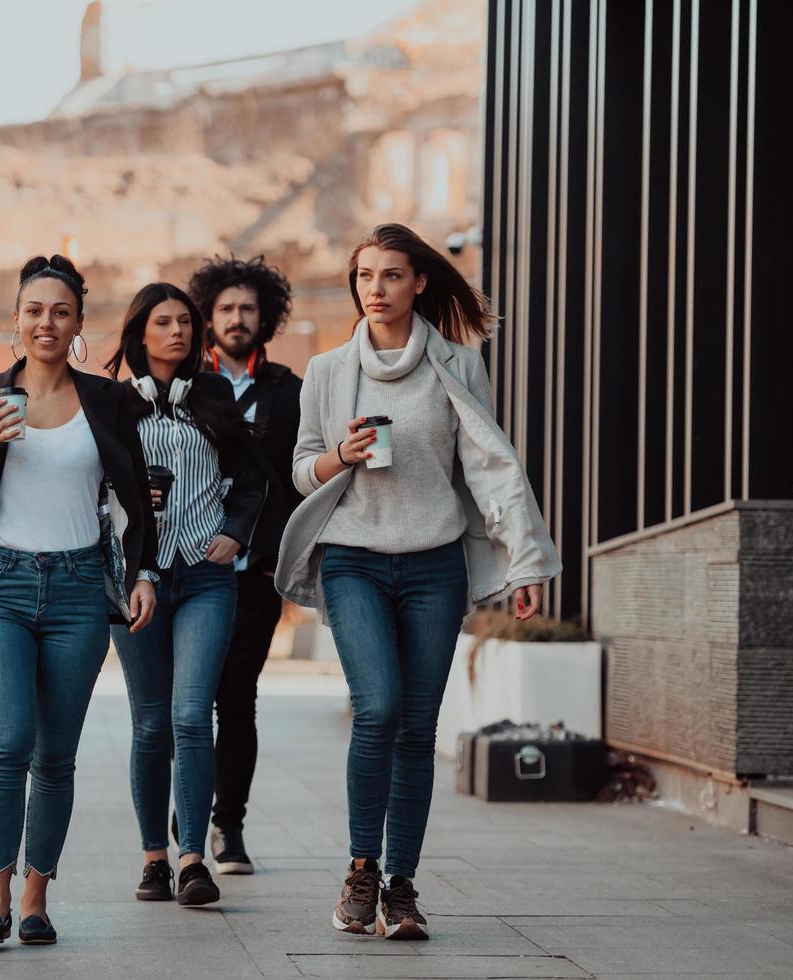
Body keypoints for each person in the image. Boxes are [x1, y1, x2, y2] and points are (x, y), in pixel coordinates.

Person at [274, 223, 561, 940]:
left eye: (392, 275)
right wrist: (340, 453)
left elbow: (490, 466)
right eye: (366, 275)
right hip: (353, 559)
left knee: (418, 727)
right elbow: (300, 470)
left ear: (419, 283)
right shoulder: (328, 372)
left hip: (434, 562)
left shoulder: (459, 366)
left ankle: (401, 887)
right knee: (378, 708)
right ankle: (361, 869)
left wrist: (523, 561)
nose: (377, 288)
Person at [0, 255, 159, 947]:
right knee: (8, 742)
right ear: (16, 318)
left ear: (78, 322)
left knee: (56, 756)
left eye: (60, 311)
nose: (46, 322)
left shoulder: (109, 400)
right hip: (1, 585)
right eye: (34, 311)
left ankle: (37, 896)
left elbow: (135, 498)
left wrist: (142, 571)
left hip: (76, 589)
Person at [103, 283, 267, 908]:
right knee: (151, 725)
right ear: (139, 333)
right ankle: (153, 858)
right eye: (162, 322)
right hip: (136, 578)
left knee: (193, 716)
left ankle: (193, 858)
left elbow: (253, 474)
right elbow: (90, 485)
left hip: (204, 575)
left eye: (184, 323)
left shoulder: (214, 393)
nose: (176, 332)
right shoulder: (115, 402)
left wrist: (234, 530)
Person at [187, 254, 304, 875]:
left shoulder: (289, 390)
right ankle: (183, 830)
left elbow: (303, 478)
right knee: (187, 702)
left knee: (237, 699)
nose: (237, 318)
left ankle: (227, 827)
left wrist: (282, 551)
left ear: (266, 317)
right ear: (207, 315)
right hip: (189, 567)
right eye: (227, 308)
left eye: (248, 309)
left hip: (256, 572)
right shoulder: (183, 385)